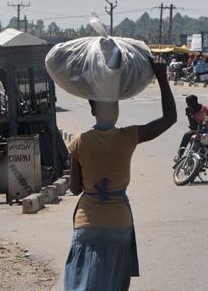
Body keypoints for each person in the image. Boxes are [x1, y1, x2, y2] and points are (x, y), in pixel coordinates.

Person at [65, 61, 176, 291]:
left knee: (82, 284)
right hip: (119, 223)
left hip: (87, 223)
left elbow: (75, 189)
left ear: (93, 110)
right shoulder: (128, 136)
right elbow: (169, 119)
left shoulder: (79, 142)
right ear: (116, 110)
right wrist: (162, 77)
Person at [176, 95, 208, 183]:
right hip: (196, 130)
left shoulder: (206, 109)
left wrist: (205, 125)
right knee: (186, 135)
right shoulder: (189, 110)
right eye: (188, 104)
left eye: (191, 103)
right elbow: (192, 125)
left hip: (207, 131)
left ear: (196, 102)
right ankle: (179, 156)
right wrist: (190, 115)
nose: (189, 105)